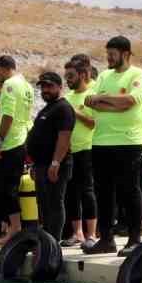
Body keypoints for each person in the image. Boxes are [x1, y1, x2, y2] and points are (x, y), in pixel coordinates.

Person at [83, 36, 142, 256]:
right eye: (107, 53)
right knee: (104, 192)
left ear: (126, 54)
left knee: (129, 191)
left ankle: (135, 238)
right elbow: (91, 102)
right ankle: (106, 239)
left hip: (128, 142)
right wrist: (116, 103)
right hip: (101, 141)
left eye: (112, 53)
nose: (108, 57)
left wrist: (105, 101)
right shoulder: (103, 75)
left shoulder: (138, 74)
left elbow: (131, 101)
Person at [25, 71, 76, 243]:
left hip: (55, 165)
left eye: (49, 86)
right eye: (43, 86)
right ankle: (45, 239)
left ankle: (53, 241)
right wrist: (34, 164)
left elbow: (64, 138)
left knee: (54, 203)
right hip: (41, 164)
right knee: (44, 204)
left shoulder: (63, 108)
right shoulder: (47, 108)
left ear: (60, 87)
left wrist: (55, 163)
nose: (45, 89)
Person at [0, 56, 32, 238]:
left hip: (10, 142)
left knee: (7, 190)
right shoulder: (27, 86)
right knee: (11, 187)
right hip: (22, 139)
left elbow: (8, 115)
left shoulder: (9, 85)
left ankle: (15, 229)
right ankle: (13, 228)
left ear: (2, 69)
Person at [63, 56, 98, 245]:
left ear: (83, 75)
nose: (67, 79)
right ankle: (77, 233)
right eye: (66, 76)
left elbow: (94, 123)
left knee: (87, 191)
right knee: (71, 192)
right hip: (69, 150)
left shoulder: (93, 94)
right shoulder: (67, 97)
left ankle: (91, 233)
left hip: (88, 148)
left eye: (71, 75)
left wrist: (74, 112)